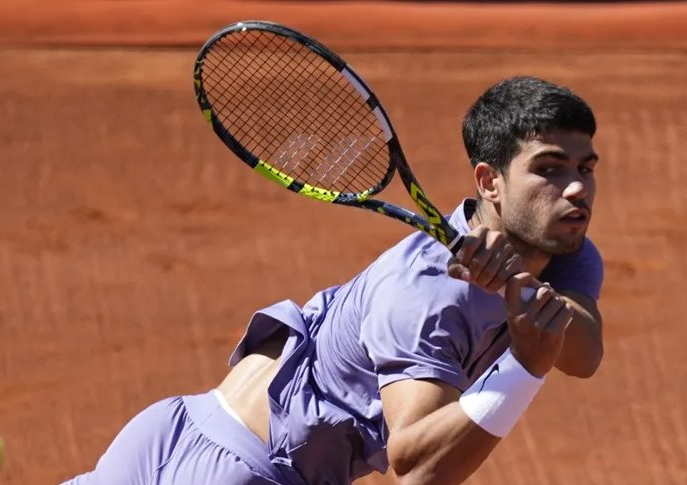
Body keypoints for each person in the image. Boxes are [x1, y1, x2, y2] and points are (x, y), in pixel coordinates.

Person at [62, 75, 604, 485]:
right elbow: (419, 468)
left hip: (174, 430)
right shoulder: (427, 294)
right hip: (244, 472)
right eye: (549, 168)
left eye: (585, 168)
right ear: (489, 182)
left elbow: (583, 354)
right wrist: (524, 369)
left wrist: (517, 285)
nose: (576, 189)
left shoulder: (563, 251)